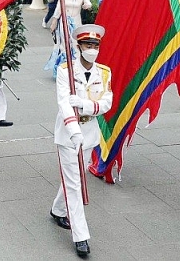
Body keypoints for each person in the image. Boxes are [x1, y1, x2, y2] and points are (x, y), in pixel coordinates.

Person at [49, 24, 113, 258]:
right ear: (78, 46)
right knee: (75, 184)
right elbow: (64, 103)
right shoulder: (66, 71)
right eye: (88, 45)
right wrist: (74, 131)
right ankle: (81, 236)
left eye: (95, 45)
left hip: (90, 132)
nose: (92, 49)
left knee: (75, 175)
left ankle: (57, 209)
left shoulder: (104, 73)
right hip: (68, 134)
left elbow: (106, 103)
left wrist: (85, 105)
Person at [46, 0, 92, 77]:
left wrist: (86, 6)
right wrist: (54, 21)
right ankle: (63, 68)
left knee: (75, 44)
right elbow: (58, 8)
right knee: (64, 43)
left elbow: (88, 4)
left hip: (76, 22)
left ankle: (76, 68)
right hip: (64, 22)